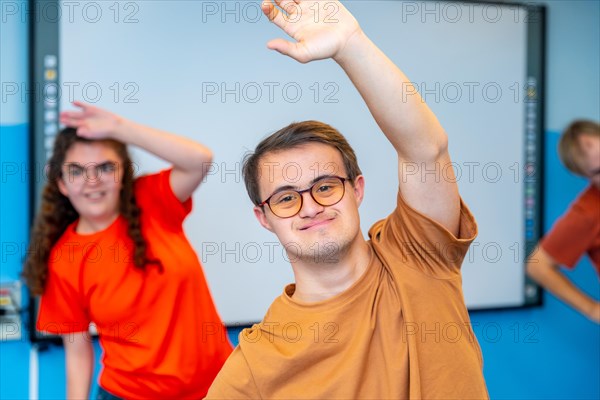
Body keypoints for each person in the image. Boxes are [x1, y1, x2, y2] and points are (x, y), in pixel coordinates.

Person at [206, 0, 488, 398]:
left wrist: (350, 45)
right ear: (264, 217)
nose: (310, 206)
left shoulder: (417, 256)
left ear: (356, 189)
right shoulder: (257, 362)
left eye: (325, 186)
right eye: (286, 198)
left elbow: (427, 151)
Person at [23, 102, 233, 399]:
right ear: (61, 182)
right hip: (129, 394)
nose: (92, 181)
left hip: (220, 388)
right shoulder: (63, 259)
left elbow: (200, 159)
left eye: (106, 167)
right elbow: (77, 350)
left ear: (123, 173)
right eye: (77, 171)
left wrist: (122, 129)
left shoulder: (153, 200)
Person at [527, 120, 600, 323]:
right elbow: (537, 265)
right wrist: (592, 309)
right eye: (598, 171)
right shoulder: (587, 212)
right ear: (583, 174)